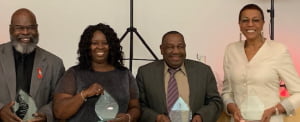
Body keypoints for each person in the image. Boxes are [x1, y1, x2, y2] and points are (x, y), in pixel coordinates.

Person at [222, 4, 300, 122]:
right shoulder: (231, 50)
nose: (250, 24)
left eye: (256, 20)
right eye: (245, 20)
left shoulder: (278, 50)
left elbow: (298, 92)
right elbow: (227, 92)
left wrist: (276, 109)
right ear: (239, 25)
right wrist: (232, 108)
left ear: (263, 23)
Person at [53, 23, 140, 122]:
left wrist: (128, 117)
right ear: (87, 47)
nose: (100, 47)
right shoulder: (73, 74)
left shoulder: (125, 74)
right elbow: (59, 112)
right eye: (94, 43)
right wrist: (84, 94)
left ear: (111, 46)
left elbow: (135, 107)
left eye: (105, 43)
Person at [136, 31, 223, 122]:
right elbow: (139, 106)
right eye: (170, 47)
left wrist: (201, 116)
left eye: (180, 47)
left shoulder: (204, 71)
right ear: (161, 49)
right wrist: (156, 118)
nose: (176, 51)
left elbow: (215, 102)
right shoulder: (145, 73)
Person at [0, 8, 65, 122]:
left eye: (31, 28)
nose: (25, 32)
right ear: (10, 30)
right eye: (19, 28)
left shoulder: (54, 64)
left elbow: (59, 99)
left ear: (37, 29)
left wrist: (45, 115)